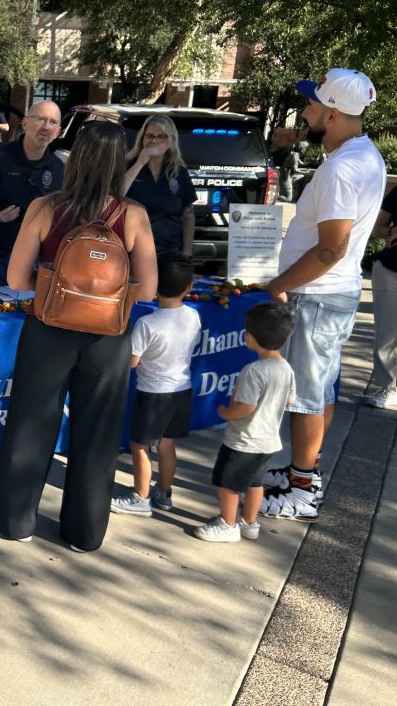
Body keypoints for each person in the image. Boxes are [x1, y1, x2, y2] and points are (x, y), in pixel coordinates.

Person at [0, 121, 158, 551]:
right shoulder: (134, 215)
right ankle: (84, 533)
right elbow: (150, 288)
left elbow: (16, 277)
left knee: (30, 426)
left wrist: (58, 288)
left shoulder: (46, 207)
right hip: (108, 339)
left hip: (47, 331)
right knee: (98, 435)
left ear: (77, 157)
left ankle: (16, 522)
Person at [261, 68, 387, 520]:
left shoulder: (341, 169)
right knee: (321, 392)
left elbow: (331, 247)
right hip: (331, 295)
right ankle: (302, 472)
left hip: (316, 298)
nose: (306, 113)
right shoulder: (365, 154)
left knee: (308, 397)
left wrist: (278, 285)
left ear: (331, 114)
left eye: (311, 107)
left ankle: (302, 493)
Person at [195, 303, 296, 541]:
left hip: (244, 441)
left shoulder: (253, 370)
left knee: (228, 484)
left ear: (249, 337)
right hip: (268, 440)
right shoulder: (286, 368)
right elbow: (290, 401)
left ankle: (227, 525)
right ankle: (249, 523)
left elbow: (245, 408)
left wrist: (224, 412)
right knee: (254, 483)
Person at [110, 251, 201, 517]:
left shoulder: (147, 323)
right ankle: (164, 492)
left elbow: (132, 361)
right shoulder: (193, 316)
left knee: (139, 445)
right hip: (181, 391)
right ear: (189, 287)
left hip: (153, 394)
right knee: (167, 444)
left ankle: (140, 497)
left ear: (154, 283)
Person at [0, 100, 65, 287]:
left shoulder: (60, 170)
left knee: (24, 315)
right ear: (25, 124)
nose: (46, 127)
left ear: (58, 131)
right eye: (41, 119)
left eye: (52, 122)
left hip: (36, 259)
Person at [123, 116, 197, 255]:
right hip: (133, 250)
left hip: (169, 250)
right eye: (150, 136)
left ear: (170, 141)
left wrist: (187, 254)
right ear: (142, 139)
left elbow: (188, 215)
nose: (154, 141)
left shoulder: (178, 172)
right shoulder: (128, 166)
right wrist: (140, 163)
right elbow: (116, 195)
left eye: (161, 137)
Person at [364, 186, 397, 409]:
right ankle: (389, 386)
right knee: (387, 334)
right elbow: (376, 228)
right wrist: (392, 232)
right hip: (390, 271)